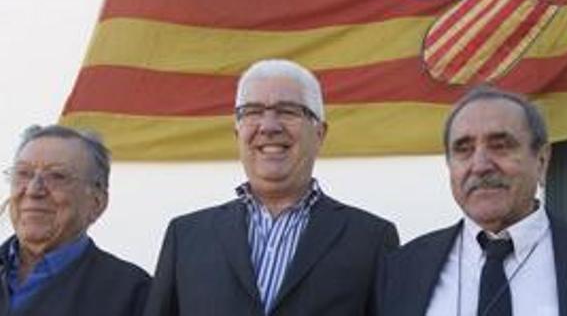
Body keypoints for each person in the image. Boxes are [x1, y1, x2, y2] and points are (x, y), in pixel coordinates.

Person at [145, 59, 399, 316]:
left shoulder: (372, 240)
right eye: (253, 112)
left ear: (319, 134)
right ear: (237, 134)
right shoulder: (185, 237)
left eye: (287, 111)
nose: (268, 126)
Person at [382, 86, 567, 316]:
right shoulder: (401, 270)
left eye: (500, 146)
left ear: (542, 160)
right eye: (463, 150)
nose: (480, 165)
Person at [0, 124, 150, 315]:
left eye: (57, 176)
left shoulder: (134, 293)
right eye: (23, 173)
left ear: (97, 202)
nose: (33, 190)